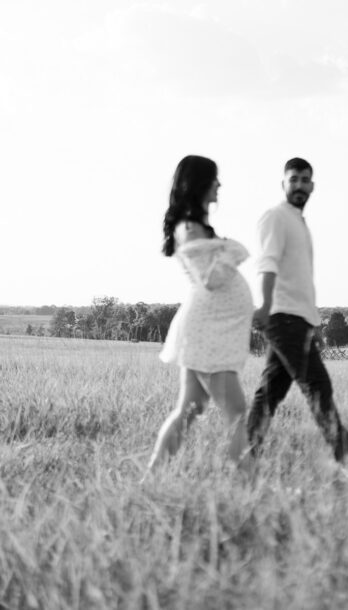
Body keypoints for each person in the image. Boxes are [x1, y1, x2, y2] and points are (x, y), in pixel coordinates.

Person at [246, 157, 348, 473]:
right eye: (293, 179)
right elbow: (266, 264)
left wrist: (313, 325)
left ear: (312, 185)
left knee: (269, 394)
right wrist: (265, 305)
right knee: (317, 385)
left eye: (305, 180)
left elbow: (301, 281)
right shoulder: (275, 217)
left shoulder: (299, 223)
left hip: (295, 317)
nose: (299, 185)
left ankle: (245, 460)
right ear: (283, 183)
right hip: (282, 316)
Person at [143, 155, 253, 476]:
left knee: (189, 410)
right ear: (200, 184)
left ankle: (151, 478)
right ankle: (251, 483)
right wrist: (232, 250)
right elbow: (210, 279)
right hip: (208, 332)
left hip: (210, 330)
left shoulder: (198, 227)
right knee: (236, 411)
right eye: (214, 178)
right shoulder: (188, 229)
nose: (219, 184)